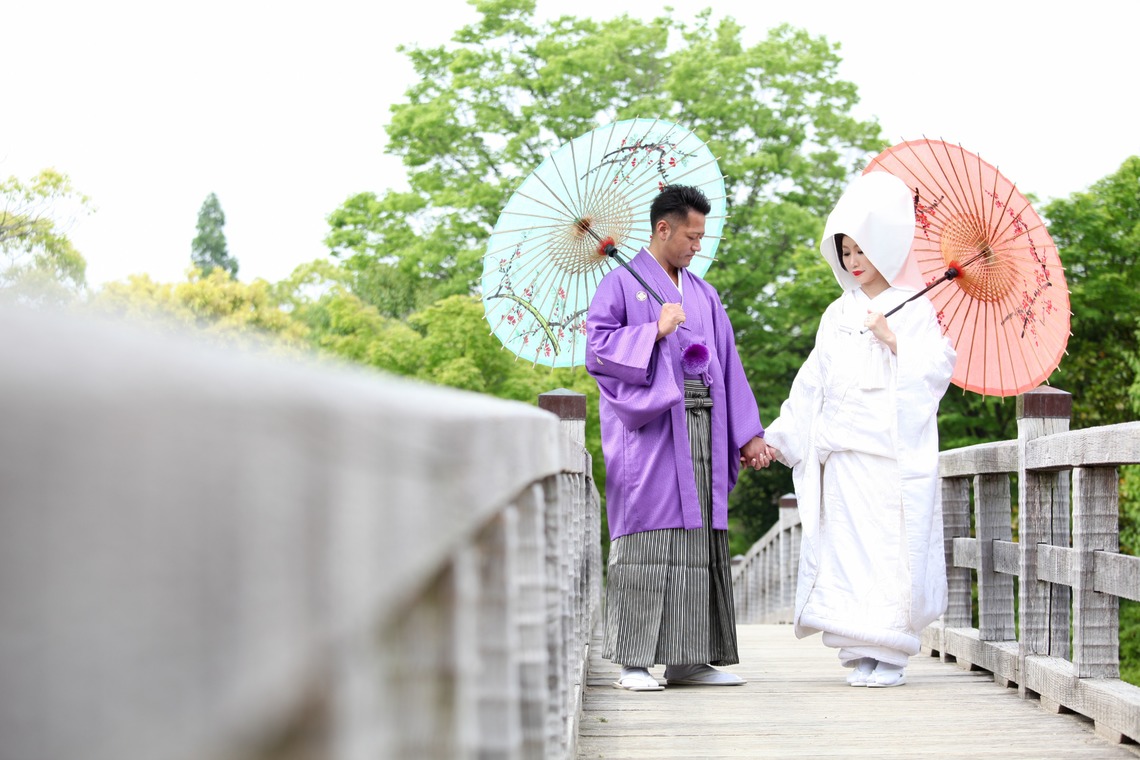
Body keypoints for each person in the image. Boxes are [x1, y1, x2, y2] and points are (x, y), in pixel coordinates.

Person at [763, 171, 956, 688]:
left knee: (889, 553)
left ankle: (890, 653)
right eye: (845, 251)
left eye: (862, 249)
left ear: (885, 247)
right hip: (843, 456)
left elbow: (936, 371)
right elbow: (812, 382)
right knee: (848, 555)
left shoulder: (915, 307)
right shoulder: (837, 312)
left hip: (889, 457)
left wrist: (893, 339)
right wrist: (779, 436)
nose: (852, 260)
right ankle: (859, 651)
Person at [585, 184, 770, 692]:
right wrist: (654, 331)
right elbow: (598, 350)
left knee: (698, 536)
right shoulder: (619, 285)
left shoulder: (703, 293)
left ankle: (689, 659)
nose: (697, 246)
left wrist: (748, 435)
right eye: (690, 236)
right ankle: (634, 661)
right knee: (649, 536)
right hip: (651, 432)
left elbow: (728, 364)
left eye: (701, 237)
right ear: (663, 229)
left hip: (703, 427)